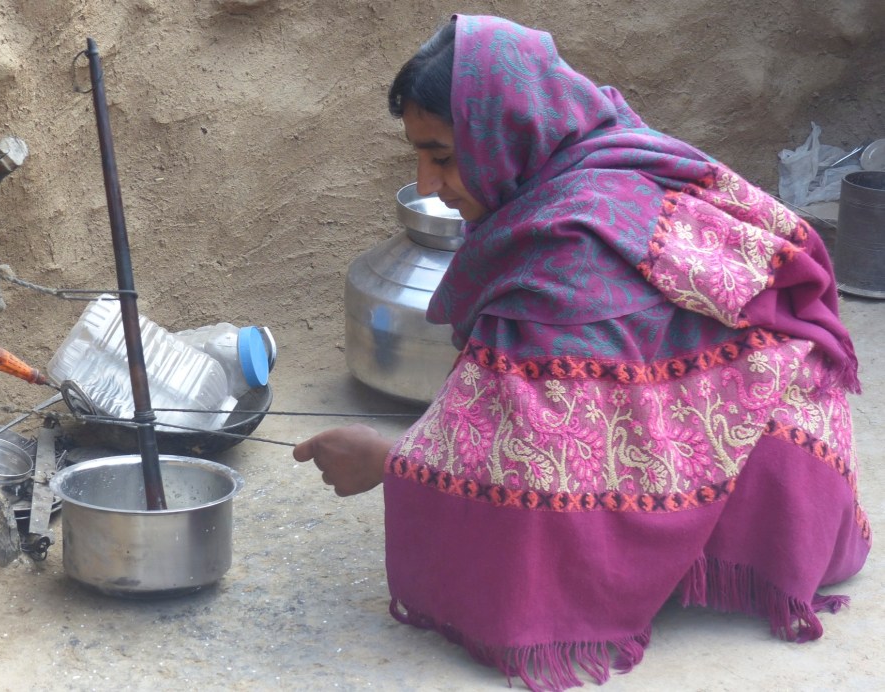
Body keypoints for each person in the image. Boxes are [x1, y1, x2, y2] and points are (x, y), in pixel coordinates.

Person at [293, 14, 871, 691]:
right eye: (418, 156)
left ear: (505, 134)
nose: (426, 182)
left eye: (443, 156)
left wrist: (394, 464)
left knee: (521, 545)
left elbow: (540, 456)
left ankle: (688, 551)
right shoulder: (602, 145)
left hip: (780, 481)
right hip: (796, 443)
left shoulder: (569, 249)